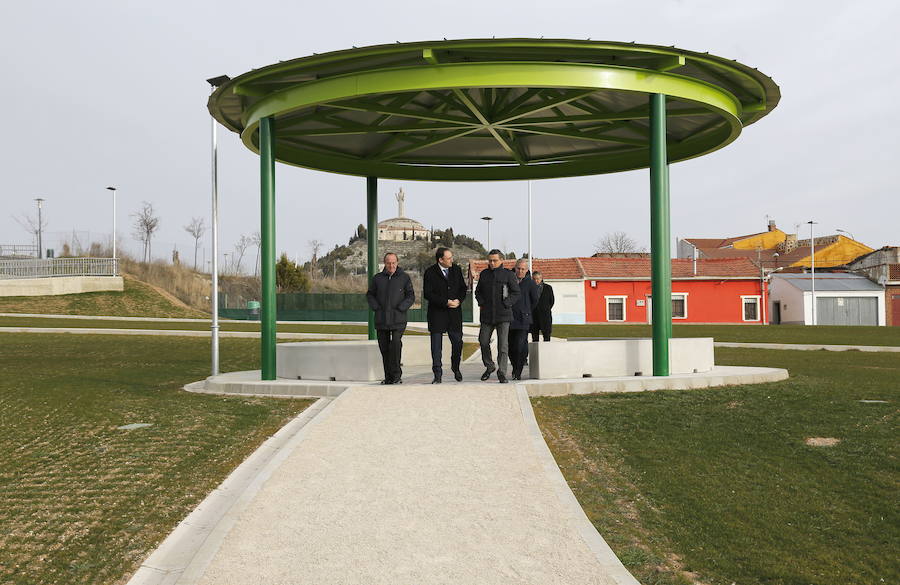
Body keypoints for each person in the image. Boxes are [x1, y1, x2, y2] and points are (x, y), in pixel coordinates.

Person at [366, 252, 415, 384]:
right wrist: (376, 307)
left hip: (398, 319)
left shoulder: (404, 278)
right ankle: (388, 377)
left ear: (397, 263)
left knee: (395, 345)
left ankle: (397, 375)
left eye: (393, 263)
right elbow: (370, 295)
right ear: (385, 263)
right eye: (388, 263)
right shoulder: (377, 278)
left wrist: (401, 308)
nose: (391, 265)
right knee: (384, 348)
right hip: (381, 319)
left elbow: (411, 296)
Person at [423, 247, 467, 384]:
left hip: (454, 314)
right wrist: (445, 302)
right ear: (440, 260)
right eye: (448, 258)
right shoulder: (430, 272)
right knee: (436, 347)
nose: (451, 260)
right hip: (437, 314)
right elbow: (428, 294)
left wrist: (459, 300)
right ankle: (437, 374)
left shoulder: (456, 270)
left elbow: (463, 289)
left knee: (458, 343)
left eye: (451, 257)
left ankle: (456, 367)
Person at [475, 249, 520, 383]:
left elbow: (516, 293)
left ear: (501, 260)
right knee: (483, 341)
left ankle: (502, 372)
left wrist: (507, 303)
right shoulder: (484, 274)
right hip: (487, 316)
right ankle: (489, 366)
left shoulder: (508, 275)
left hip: (504, 315)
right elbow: (478, 292)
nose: (492, 263)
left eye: (495, 260)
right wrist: (481, 302)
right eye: (490, 260)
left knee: (503, 345)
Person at [509, 259, 539, 380]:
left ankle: (518, 371)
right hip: (509, 318)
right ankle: (514, 366)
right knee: (510, 347)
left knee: (520, 346)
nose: (520, 271)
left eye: (523, 269)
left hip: (523, 319)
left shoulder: (530, 283)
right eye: (518, 268)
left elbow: (535, 300)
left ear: (526, 270)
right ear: (515, 268)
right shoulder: (509, 280)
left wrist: (526, 309)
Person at [530, 270, 555, 342]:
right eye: (534, 279)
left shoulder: (548, 288)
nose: (536, 281)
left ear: (541, 278)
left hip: (545, 316)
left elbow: (551, 301)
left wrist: (545, 308)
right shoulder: (530, 288)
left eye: (538, 278)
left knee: (547, 336)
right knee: (535, 337)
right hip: (534, 316)